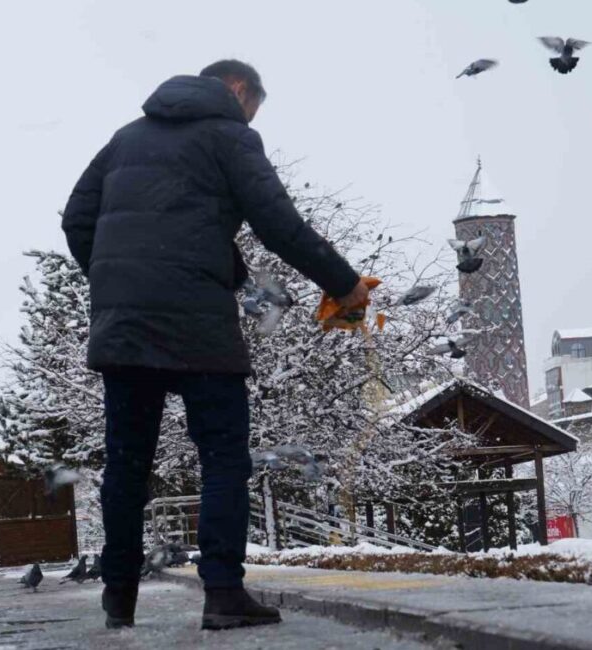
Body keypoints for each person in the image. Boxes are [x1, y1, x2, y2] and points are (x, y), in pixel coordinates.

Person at [63, 59, 369, 630]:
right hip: (199, 325)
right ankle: (223, 594)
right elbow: (279, 222)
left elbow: (77, 219)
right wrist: (343, 284)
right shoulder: (231, 135)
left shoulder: (125, 138)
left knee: (127, 465)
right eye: (253, 106)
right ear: (236, 89)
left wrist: (119, 283)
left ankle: (118, 598)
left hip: (124, 328)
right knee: (223, 455)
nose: (252, 117)